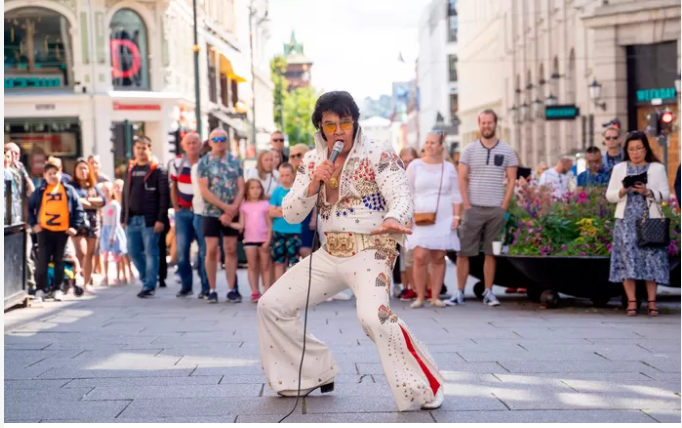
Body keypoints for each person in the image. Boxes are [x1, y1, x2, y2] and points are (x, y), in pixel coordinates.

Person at [257, 91, 444, 411]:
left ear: (355, 122)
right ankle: (311, 372)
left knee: (374, 317)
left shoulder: (378, 151)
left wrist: (391, 219)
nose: (339, 130)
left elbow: (401, 197)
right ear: (320, 127)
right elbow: (290, 213)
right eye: (331, 125)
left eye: (345, 122)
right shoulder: (313, 162)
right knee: (271, 305)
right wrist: (311, 186)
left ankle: (423, 385)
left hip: (372, 250)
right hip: (330, 254)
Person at [456, 109, 518, 307]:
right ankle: (459, 292)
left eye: (490, 123)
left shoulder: (507, 151)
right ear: (479, 123)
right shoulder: (469, 150)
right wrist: (466, 204)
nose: (487, 126)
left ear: (495, 124)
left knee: (491, 253)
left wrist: (504, 206)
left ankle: (489, 292)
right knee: (464, 252)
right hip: (473, 207)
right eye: (483, 123)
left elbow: (511, 180)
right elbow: (462, 177)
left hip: (495, 209)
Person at [606, 131, 670, 317]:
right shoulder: (620, 168)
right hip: (625, 221)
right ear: (627, 150)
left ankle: (652, 302)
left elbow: (665, 195)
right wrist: (624, 189)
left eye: (639, 148)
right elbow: (610, 196)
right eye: (631, 149)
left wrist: (647, 192)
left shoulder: (657, 168)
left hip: (649, 220)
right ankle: (631, 302)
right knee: (628, 260)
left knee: (651, 259)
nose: (635, 153)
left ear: (645, 149)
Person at [406, 132, 461, 309]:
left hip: (443, 216)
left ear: (440, 146)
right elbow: (407, 192)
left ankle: (435, 296)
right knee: (420, 256)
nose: (429, 146)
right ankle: (420, 296)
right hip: (419, 215)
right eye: (427, 142)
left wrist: (456, 216)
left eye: (433, 143)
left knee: (438, 257)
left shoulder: (449, 168)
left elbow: (455, 194)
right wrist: (407, 217)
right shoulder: (415, 165)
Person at [198, 128, 245, 304]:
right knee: (211, 250)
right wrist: (225, 207)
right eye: (215, 138)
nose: (219, 141)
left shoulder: (235, 161)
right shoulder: (204, 162)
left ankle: (232, 289)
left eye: (222, 138)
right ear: (210, 142)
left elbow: (241, 187)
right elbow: (204, 190)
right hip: (211, 212)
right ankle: (212, 289)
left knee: (231, 249)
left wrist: (232, 209)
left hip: (232, 210)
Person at [28, 160, 84, 301]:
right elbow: (29, 208)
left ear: (61, 173)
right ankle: (41, 288)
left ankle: (57, 288)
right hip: (44, 230)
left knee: (60, 260)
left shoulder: (68, 190)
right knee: (43, 261)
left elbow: (78, 209)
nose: (53, 176)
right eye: (50, 174)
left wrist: (75, 226)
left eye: (55, 173)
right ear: (44, 176)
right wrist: (34, 224)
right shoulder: (40, 191)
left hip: (62, 231)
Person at [121, 136, 170, 298]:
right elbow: (125, 194)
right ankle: (147, 279)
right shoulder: (130, 169)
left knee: (151, 252)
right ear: (134, 149)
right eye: (138, 148)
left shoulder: (158, 169)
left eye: (144, 148)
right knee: (133, 251)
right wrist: (124, 217)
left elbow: (164, 197)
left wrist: (160, 219)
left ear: (150, 149)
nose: (141, 151)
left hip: (150, 220)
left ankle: (149, 285)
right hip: (132, 219)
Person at [171, 133, 208, 298]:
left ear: (200, 144)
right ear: (183, 145)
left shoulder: (206, 162)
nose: (192, 146)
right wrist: (176, 207)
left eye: (195, 143)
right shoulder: (176, 162)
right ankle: (186, 286)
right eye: (189, 143)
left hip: (202, 212)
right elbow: (173, 185)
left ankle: (206, 286)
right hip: (183, 212)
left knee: (204, 251)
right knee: (182, 250)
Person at [70, 158, 104, 293]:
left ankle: (86, 283)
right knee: (81, 252)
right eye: (80, 168)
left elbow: (103, 201)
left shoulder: (93, 186)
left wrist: (88, 200)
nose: (83, 171)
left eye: (85, 168)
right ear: (75, 171)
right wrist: (90, 203)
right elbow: (75, 201)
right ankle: (76, 279)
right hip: (78, 221)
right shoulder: (72, 186)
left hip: (93, 221)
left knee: (90, 253)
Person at [235, 179, 272, 302]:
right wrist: (228, 223)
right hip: (250, 240)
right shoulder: (244, 206)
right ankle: (255, 292)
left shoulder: (265, 205)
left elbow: (269, 224)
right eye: (252, 188)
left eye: (258, 187)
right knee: (252, 266)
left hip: (263, 240)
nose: (255, 190)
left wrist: (268, 240)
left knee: (265, 266)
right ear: (247, 190)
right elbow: (241, 225)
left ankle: (267, 291)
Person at [269, 163, 303, 281]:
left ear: (293, 175)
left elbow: (298, 209)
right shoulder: (276, 192)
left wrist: (280, 209)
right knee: (278, 261)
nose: (285, 178)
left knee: (294, 261)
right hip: (278, 230)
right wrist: (287, 210)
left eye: (287, 175)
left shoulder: (298, 191)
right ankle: (279, 286)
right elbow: (271, 212)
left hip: (294, 230)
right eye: (282, 175)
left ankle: (292, 287)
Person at [396, 147, 419, 301]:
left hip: (420, 218)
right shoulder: (397, 176)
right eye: (405, 161)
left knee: (418, 256)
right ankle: (407, 287)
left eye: (411, 160)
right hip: (402, 219)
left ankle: (419, 287)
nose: (408, 164)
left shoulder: (420, 174)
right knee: (405, 256)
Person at [290, 144, 316, 259]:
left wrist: (314, 218)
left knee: (305, 250)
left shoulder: (311, 172)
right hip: (294, 215)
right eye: (292, 156)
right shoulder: (289, 174)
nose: (296, 158)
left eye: (299, 155)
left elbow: (317, 195)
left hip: (309, 215)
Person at [99, 182, 126, 285]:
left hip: (114, 230)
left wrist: (113, 234)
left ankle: (118, 276)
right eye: (103, 190)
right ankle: (105, 275)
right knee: (105, 254)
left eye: (107, 190)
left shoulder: (115, 205)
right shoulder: (102, 205)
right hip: (105, 229)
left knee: (116, 254)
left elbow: (115, 221)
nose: (105, 193)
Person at [113, 179, 134, 283]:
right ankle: (122, 275)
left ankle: (130, 272)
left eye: (119, 187)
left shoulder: (128, 202)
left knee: (126, 253)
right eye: (115, 187)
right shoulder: (112, 203)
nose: (117, 189)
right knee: (119, 253)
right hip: (116, 231)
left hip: (126, 229)